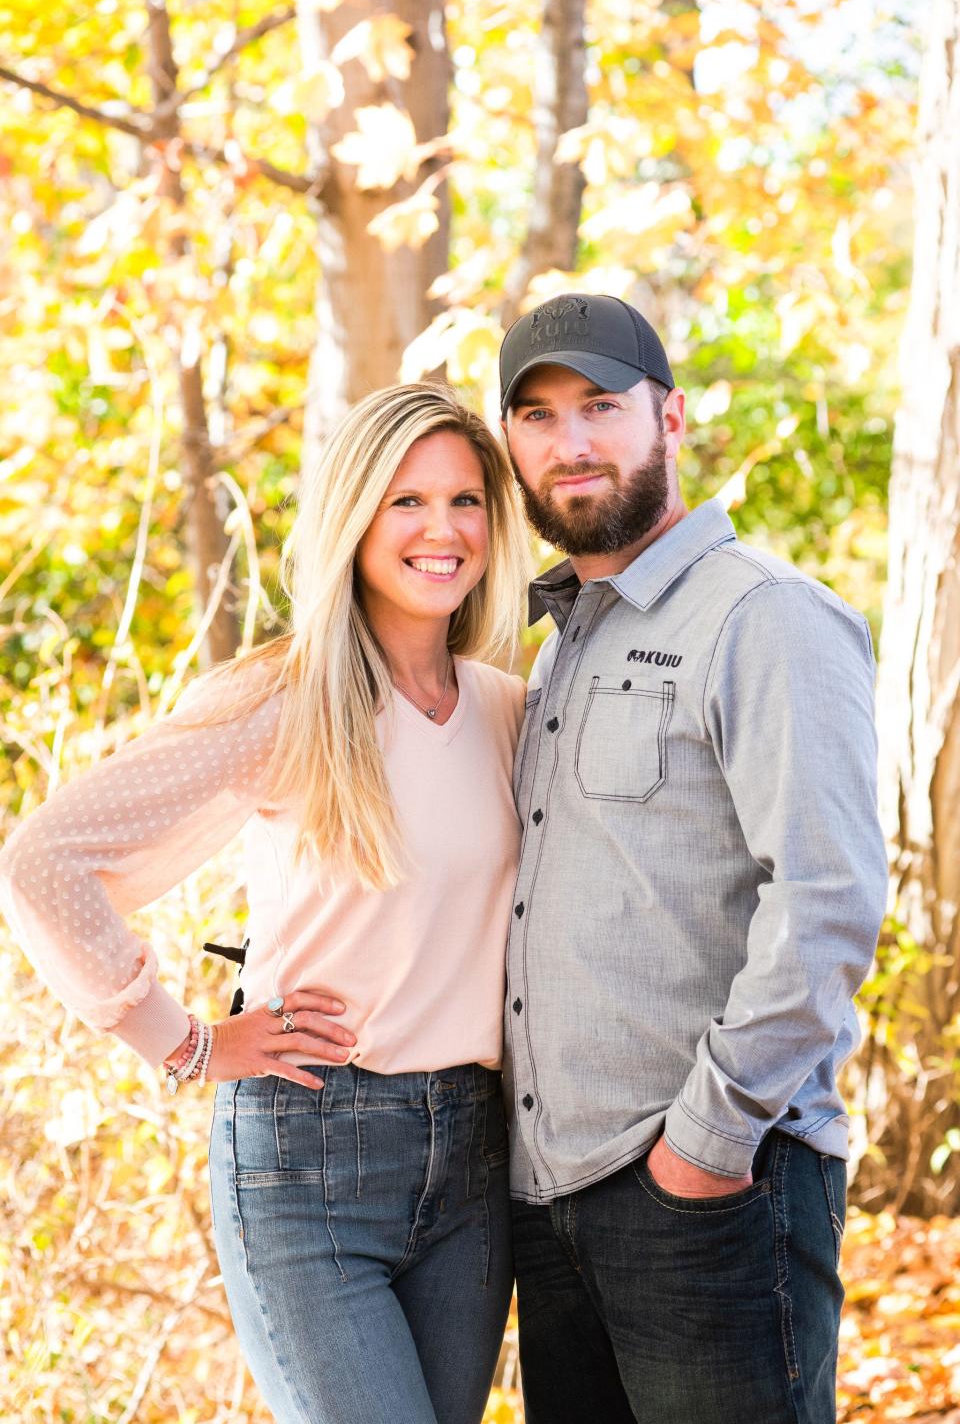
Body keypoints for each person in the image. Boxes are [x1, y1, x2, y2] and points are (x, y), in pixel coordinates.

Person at [0, 383, 532, 1424]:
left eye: (465, 500)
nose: (442, 529)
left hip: (475, 1159)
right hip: (312, 1153)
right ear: (354, 519)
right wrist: (185, 1040)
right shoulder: (289, 701)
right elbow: (45, 858)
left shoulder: (511, 710)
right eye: (405, 501)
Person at [497, 292, 889, 1424]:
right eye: (538, 416)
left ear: (668, 419)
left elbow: (827, 898)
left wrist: (704, 1152)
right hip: (554, 1197)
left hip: (709, 1192)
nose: (570, 443)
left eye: (601, 406)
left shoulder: (764, 615)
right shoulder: (562, 639)